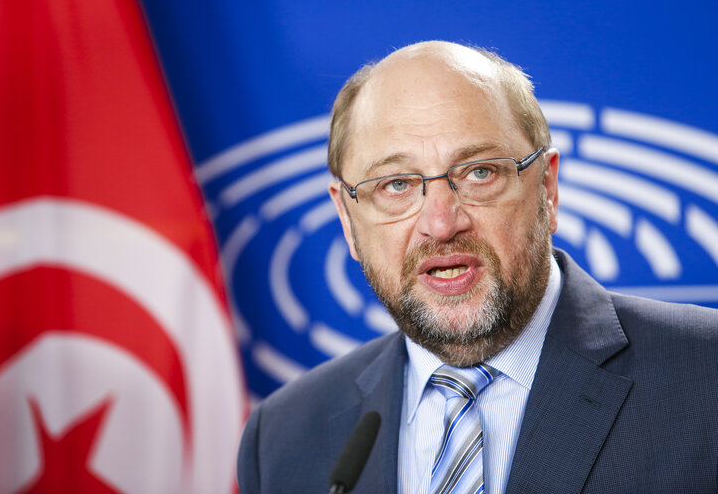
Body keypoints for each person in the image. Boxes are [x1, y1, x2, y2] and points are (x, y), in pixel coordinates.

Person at [236, 41, 718, 493]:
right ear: (347, 218)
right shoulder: (282, 436)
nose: (441, 224)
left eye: (480, 172)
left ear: (547, 189)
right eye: (396, 184)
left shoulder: (705, 376)